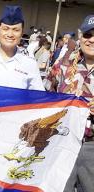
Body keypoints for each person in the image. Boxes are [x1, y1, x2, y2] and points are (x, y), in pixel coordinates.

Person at [44, 15, 94, 192]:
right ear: (80, 37)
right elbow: (46, 97)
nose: (92, 40)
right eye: (88, 35)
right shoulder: (63, 64)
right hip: (63, 143)